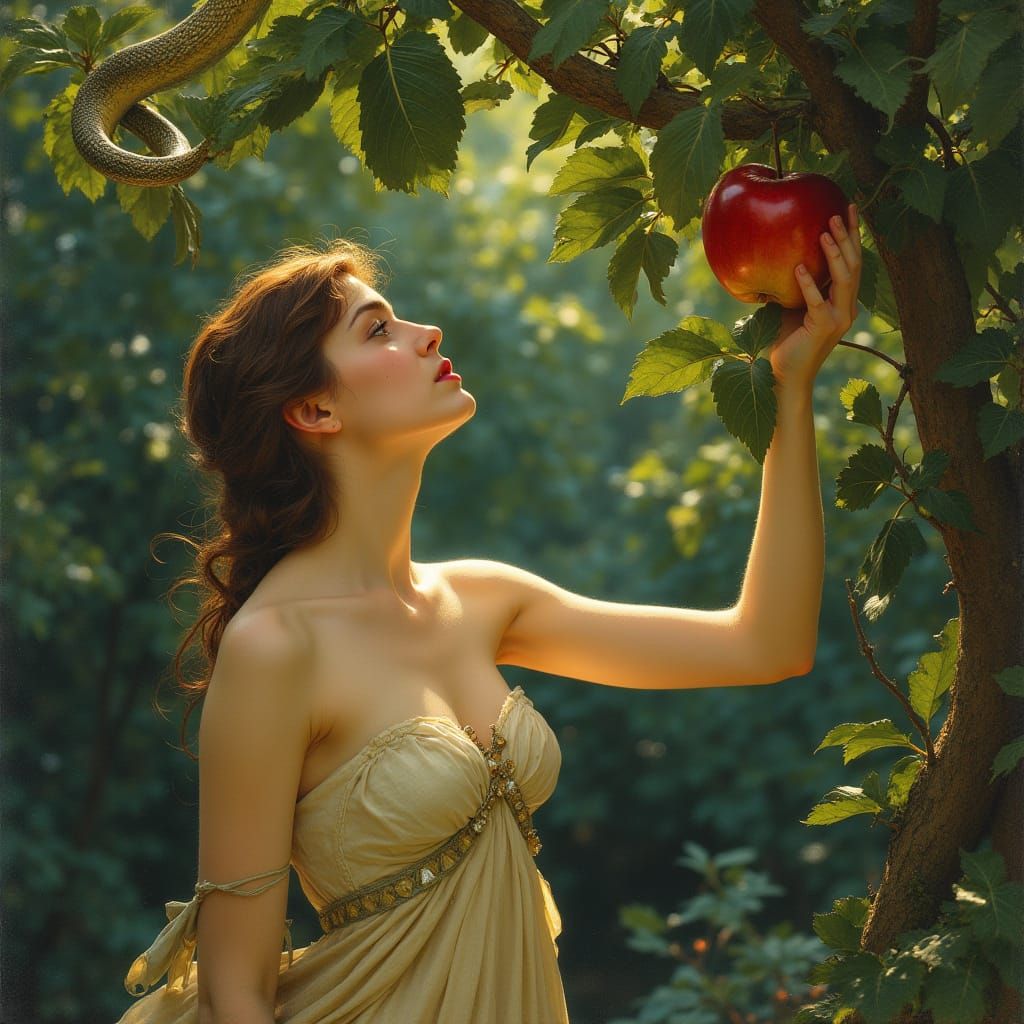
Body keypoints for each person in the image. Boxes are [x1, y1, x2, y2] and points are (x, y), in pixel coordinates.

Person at [116, 212, 861, 1023]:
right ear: (316, 410)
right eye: (378, 330)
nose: (427, 332)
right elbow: (237, 993)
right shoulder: (274, 647)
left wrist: (790, 388)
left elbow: (767, 643)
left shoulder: (482, 600)